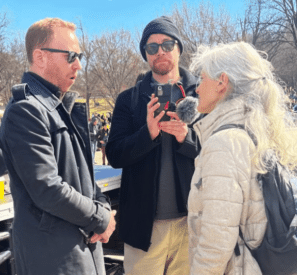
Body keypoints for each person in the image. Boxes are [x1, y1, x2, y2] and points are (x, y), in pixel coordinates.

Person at [0, 18, 116, 275]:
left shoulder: (60, 108)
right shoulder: (26, 110)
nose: (79, 65)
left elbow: (84, 178)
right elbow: (48, 189)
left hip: (81, 251)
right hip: (54, 259)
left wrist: (103, 206)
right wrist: (101, 218)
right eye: (71, 56)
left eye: (80, 56)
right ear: (40, 57)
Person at [187, 42, 297, 274]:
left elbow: (216, 243)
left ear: (221, 82)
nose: (196, 89)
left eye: (202, 78)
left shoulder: (224, 143)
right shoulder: (254, 129)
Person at [106, 16, 200, 275]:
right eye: (152, 47)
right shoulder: (129, 99)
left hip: (191, 223)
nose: (160, 51)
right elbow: (114, 154)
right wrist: (146, 134)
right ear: (145, 54)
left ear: (179, 47)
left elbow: (217, 153)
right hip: (144, 227)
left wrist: (186, 138)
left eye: (167, 44)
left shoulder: (201, 94)